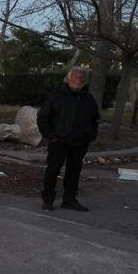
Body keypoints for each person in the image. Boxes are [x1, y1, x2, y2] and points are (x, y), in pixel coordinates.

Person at [36, 67, 100, 211]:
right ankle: (48, 200)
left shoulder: (88, 98)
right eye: (76, 77)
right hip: (59, 141)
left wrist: (91, 134)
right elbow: (43, 117)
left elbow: (95, 119)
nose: (78, 80)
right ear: (69, 78)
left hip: (80, 142)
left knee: (74, 172)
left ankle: (69, 200)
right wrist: (51, 136)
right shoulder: (56, 95)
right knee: (53, 170)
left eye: (81, 78)